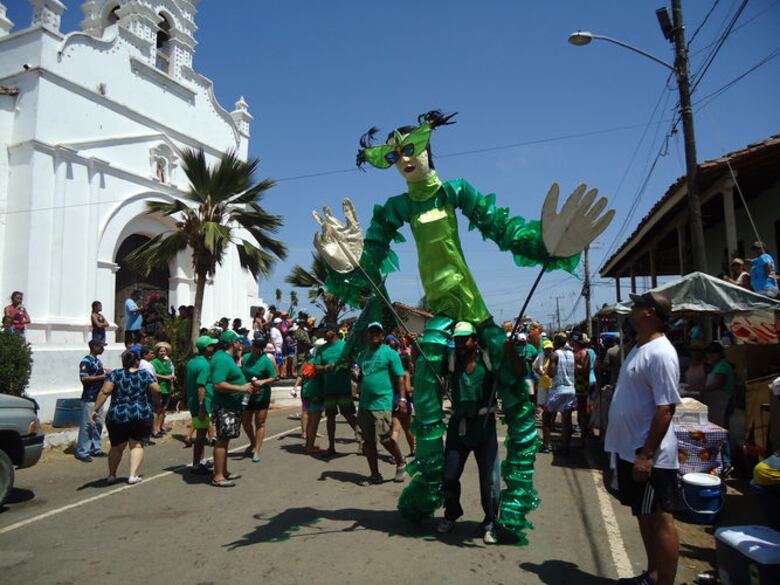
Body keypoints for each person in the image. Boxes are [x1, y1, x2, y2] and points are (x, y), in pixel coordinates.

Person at [605, 291, 681, 585]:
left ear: (649, 312)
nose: (631, 309)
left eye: (637, 305)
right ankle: (652, 574)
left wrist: (647, 454)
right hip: (630, 450)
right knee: (644, 515)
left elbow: (666, 409)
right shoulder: (639, 347)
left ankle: (664, 581)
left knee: (660, 518)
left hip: (649, 453)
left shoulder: (661, 352)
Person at [436, 321, 527, 544]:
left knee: (488, 480)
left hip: (484, 426)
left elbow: (519, 372)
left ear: (475, 341)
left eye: (464, 339)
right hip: (458, 427)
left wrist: (509, 352)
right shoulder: (451, 360)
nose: (459, 343)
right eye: (456, 339)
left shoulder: (489, 360)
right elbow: (426, 366)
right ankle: (451, 513)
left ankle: (489, 522)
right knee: (449, 475)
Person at [92, 349, 161, 484]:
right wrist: (157, 403)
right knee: (137, 445)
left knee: (116, 446)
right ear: (137, 361)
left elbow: (105, 391)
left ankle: (112, 475)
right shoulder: (145, 374)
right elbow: (157, 389)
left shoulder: (115, 374)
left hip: (118, 414)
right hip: (140, 413)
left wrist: (95, 409)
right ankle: (133, 475)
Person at [355, 322, 407, 485]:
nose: (374, 335)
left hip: (382, 401)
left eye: (377, 332)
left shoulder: (390, 353)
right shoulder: (362, 354)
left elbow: (400, 377)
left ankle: (400, 462)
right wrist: (355, 376)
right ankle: (375, 474)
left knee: (385, 438)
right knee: (367, 441)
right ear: (367, 335)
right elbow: (361, 376)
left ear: (382, 335)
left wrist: (403, 399)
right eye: (371, 332)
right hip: (364, 403)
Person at [210, 330, 254, 487]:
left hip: (231, 405)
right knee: (222, 440)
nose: (241, 344)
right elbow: (218, 383)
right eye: (238, 342)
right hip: (226, 406)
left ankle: (224, 471)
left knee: (225, 439)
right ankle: (218, 476)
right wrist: (241, 388)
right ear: (233, 343)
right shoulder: (222, 359)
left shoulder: (226, 358)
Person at [313, 323, 358, 456]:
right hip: (329, 389)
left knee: (349, 415)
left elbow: (352, 360)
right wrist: (326, 368)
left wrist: (345, 363)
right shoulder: (321, 349)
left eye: (325, 331)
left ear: (333, 332)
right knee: (330, 417)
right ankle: (331, 446)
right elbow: (316, 366)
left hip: (343, 388)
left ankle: (363, 441)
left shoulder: (345, 346)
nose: (323, 334)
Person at [241, 334, 278, 462]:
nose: (253, 347)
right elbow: (241, 373)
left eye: (255, 345)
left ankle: (257, 450)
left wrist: (262, 382)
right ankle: (252, 441)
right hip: (247, 394)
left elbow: (274, 377)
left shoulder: (266, 360)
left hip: (261, 395)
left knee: (260, 422)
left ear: (260, 348)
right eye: (253, 344)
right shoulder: (245, 358)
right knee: (245, 421)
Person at [186, 335, 219, 474]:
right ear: (207, 348)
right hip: (203, 404)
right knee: (200, 436)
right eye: (211, 345)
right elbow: (201, 386)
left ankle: (201, 460)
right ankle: (196, 464)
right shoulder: (205, 365)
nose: (214, 347)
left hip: (194, 402)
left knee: (202, 432)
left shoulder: (192, 362)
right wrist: (202, 407)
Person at [75, 340, 111, 462]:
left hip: (99, 397)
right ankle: (82, 451)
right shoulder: (86, 361)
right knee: (88, 424)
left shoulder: (98, 361)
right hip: (89, 397)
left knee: (98, 423)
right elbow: (84, 378)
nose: (103, 349)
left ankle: (95, 448)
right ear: (94, 347)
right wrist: (101, 377)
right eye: (101, 346)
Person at [542, 333, 576, 454]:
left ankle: (546, 445)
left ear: (556, 342)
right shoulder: (572, 354)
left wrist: (547, 366)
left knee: (546, 416)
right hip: (571, 389)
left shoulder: (555, 354)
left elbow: (551, 373)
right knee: (566, 419)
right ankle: (566, 446)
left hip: (558, 389)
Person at [689, 341, 735, 427]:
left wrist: (697, 389)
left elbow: (717, 385)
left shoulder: (722, 366)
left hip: (723, 402)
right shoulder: (716, 365)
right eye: (709, 353)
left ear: (721, 353)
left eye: (714, 353)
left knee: (722, 427)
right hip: (716, 403)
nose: (711, 355)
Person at [570, 331, 594, 443]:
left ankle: (584, 431)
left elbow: (584, 369)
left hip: (582, 383)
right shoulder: (586, 352)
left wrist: (573, 364)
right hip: (582, 383)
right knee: (583, 407)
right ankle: (584, 430)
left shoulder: (583, 353)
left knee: (583, 408)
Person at [392, 353, 416, 458]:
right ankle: (413, 450)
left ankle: (394, 453)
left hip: (393, 401)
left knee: (395, 429)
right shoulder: (405, 373)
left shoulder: (392, 373)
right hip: (404, 402)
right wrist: (417, 387)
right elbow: (407, 389)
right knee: (408, 429)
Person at [150, 342, 175, 438]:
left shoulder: (168, 362)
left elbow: (170, 373)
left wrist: (172, 381)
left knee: (163, 409)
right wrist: (166, 377)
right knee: (157, 409)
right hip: (159, 387)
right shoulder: (154, 362)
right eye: (161, 351)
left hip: (167, 387)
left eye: (164, 351)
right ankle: (154, 429)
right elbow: (154, 374)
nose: (162, 353)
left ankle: (160, 427)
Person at [533, 339, 554, 417]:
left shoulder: (554, 357)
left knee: (551, 404)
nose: (549, 351)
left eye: (550, 349)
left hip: (552, 384)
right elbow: (534, 367)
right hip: (542, 384)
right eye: (547, 349)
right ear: (544, 349)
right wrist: (539, 372)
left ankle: (550, 420)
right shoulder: (540, 357)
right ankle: (542, 417)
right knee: (541, 403)